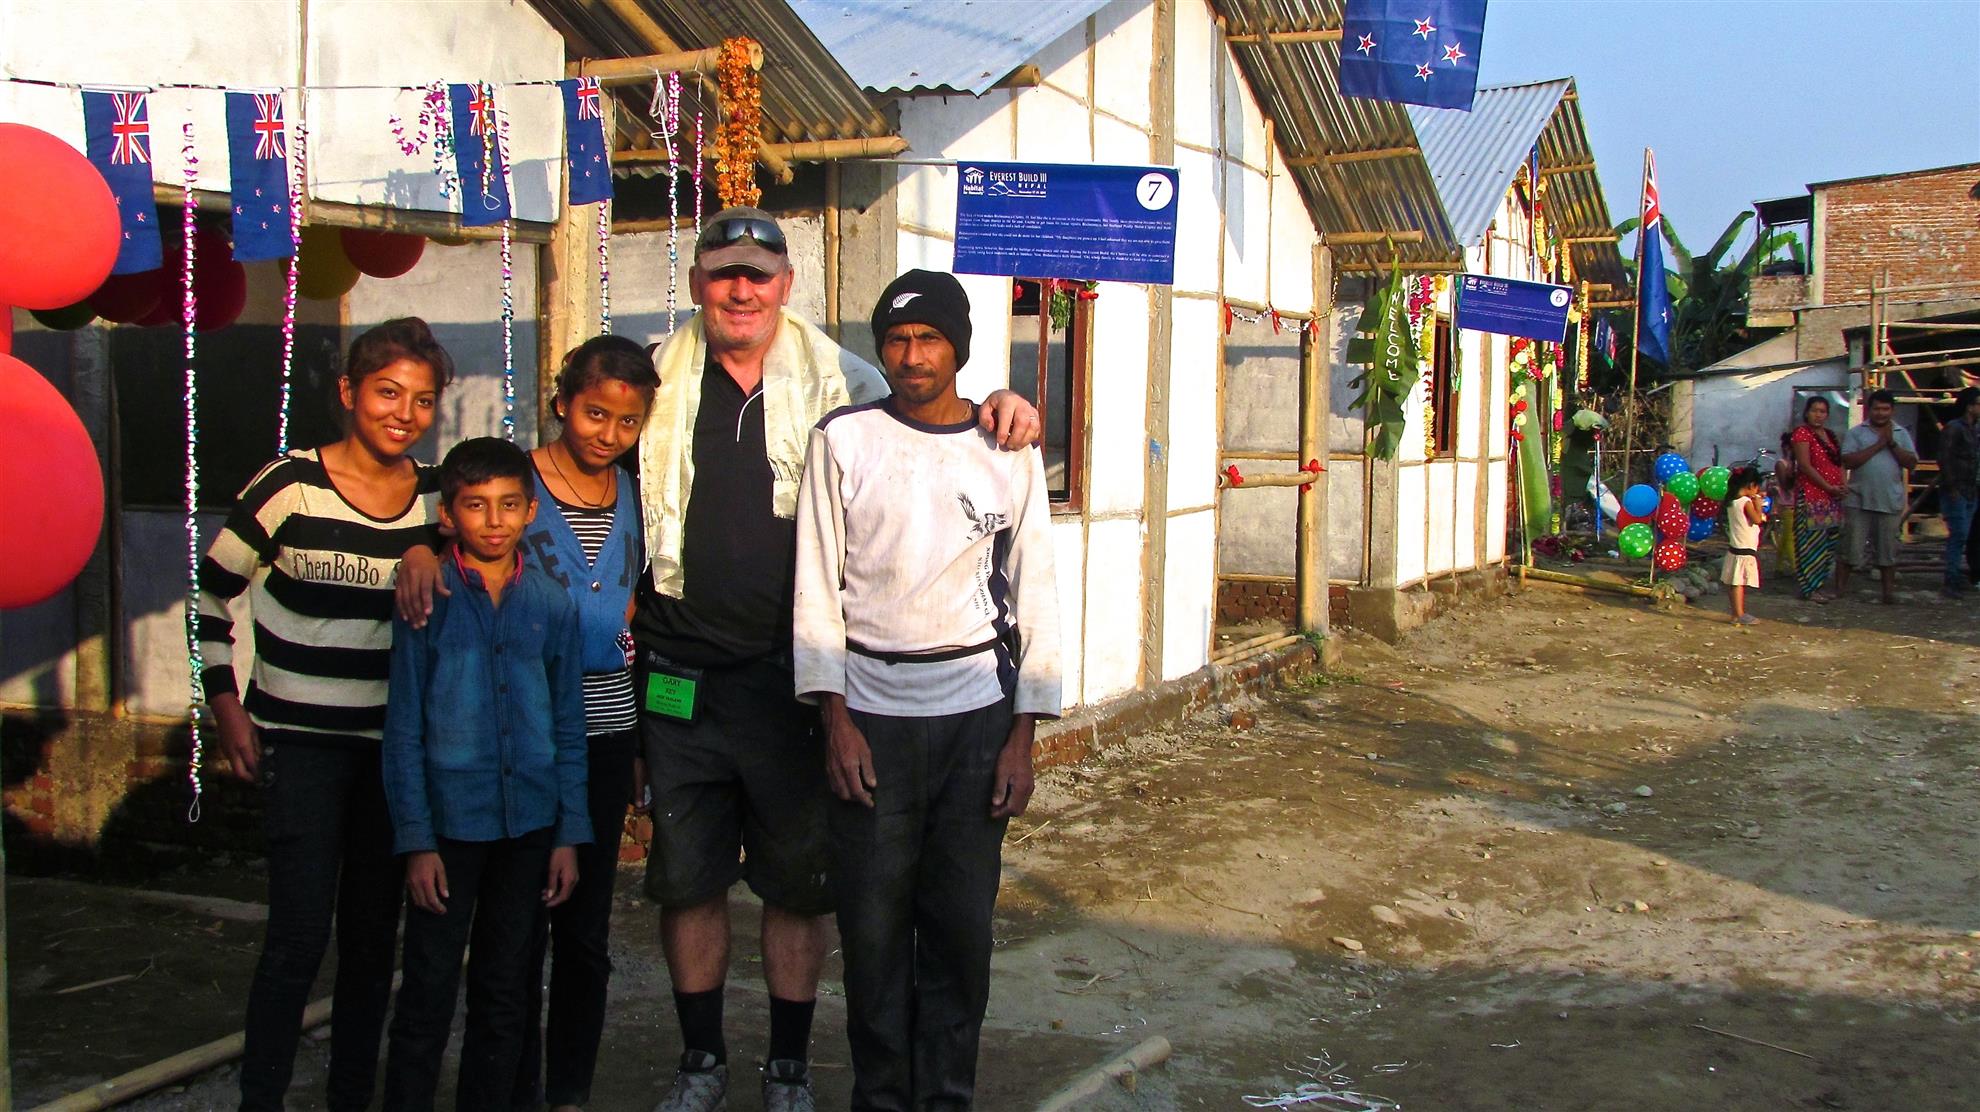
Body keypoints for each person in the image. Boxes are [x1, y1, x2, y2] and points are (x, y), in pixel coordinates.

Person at [633, 208, 1039, 1112]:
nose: (742, 291)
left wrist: (1003, 404)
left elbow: (927, 409)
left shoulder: (843, 383)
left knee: (800, 885)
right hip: (680, 677)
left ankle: (787, 1071)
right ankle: (701, 1065)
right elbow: (573, 457)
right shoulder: (652, 379)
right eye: (724, 274)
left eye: (759, 275)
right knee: (689, 880)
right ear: (698, 283)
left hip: (791, 684)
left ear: (786, 286)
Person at [793, 270, 1062, 1110]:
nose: (912, 356)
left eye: (930, 339)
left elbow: (1035, 593)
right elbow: (815, 587)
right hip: (871, 722)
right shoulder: (844, 440)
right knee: (872, 938)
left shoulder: (1006, 450)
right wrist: (835, 721)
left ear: (958, 349)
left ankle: (947, 1098)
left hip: (976, 723)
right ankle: (880, 1098)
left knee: (959, 935)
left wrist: (1023, 737)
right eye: (897, 340)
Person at [397, 338, 659, 1112]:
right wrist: (417, 552)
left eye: (628, 421)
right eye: (594, 413)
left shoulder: (638, 491)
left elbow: (644, 603)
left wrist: (644, 739)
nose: (609, 433)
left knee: (581, 931)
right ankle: (514, 1086)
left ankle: (563, 1091)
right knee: (508, 946)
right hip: (509, 737)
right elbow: (428, 516)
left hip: (599, 734)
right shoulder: (512, 482)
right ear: (561, 403)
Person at [200, 318, 453, 1112]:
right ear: (348, 392)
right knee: (299, 936)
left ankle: (350, 1096)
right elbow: (210, 597)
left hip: (393, 755)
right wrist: (225, 704)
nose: (404, 414)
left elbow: (483, 566)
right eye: (387, 393)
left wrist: (427, 550)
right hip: (301, 748)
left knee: (373, 944)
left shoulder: (438, 499)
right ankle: (262, 1098)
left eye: (422, 400)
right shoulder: (287, 485)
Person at [379, 437, 590, 1111]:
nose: (494, 521)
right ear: (448, 516)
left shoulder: (551, 603)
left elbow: (568, 725)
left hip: (528, 826)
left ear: (531, 510)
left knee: (504, 992)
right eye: (476, 505)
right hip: (450, 828)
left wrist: (568, 833)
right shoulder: (428, 599)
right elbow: (404, 728)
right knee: (428, 988)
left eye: (508, 505)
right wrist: (417, 841)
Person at [1834, 389, 1917, 604]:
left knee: (1887, 552)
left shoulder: (1900, 433)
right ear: (1869, 410)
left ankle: (1888, 594)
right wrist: (1879, 445)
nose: (1881, 413)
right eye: (1877, 409)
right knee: (1850, 548)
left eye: (1885, 409)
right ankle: (1839, 591)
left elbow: (1911, 463)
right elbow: (1848, 461)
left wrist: (1891, 443)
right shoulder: (1857, 433)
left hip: (1889, 500)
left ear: (1892, 410)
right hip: (1858, 499)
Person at [1787, 395, 1847, 601]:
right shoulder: (1802, 433)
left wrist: (1842, 485)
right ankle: (1809, 588)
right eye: (1814, 410)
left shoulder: (1830, 435)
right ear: (1807, 412)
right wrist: (1828, 487)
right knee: (1811, 543)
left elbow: (1839, 463)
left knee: (1828, 543)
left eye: (1822, 411)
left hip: (1832, 498)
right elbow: (1805, 465)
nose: (1818, 415)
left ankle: (1819, 585)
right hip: (1812, 496)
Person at [1934, 387, 1980, 598]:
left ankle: (1956, 575)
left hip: (1971, 489)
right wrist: (1951, 487)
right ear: (1969, 406)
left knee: (1965, 535)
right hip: (1956, 489)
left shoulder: (1974, 429)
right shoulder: (1954, 428)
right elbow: (1944, 459)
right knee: (1958, 534)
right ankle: (1950, 579)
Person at [1722, 466, 1766, 626]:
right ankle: (1740, 614)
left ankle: (1735, 613)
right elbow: (1757, 520)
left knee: (1733, 582)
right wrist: (1758, 505)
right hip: (1745, 547)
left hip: (1735, 545)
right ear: (1751, 485)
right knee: (1738, 582)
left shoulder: (1732, 501)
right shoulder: (1746, 502)